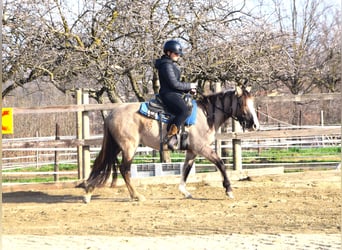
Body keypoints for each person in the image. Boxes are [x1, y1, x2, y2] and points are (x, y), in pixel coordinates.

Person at [155, 40, 197, 150]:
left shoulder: (169, 64)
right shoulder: (166, 65)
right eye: (176, 53)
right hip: (168, 94)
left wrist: (189, 90)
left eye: (179, 54)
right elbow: (173, 84)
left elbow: (176, 85)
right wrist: (189, 85)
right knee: (184, 110)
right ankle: (170, 136)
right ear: (168, 53)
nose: (178, 56)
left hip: (174, 93)